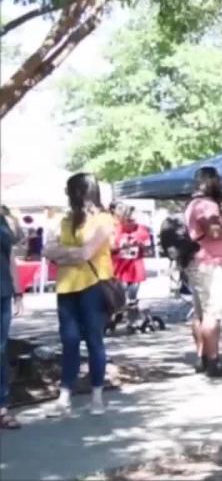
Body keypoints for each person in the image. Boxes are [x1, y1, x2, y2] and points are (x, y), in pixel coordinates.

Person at [42, 173, 116, 416]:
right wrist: (67, 253)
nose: (66, 193)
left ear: (81, 191)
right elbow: (46, 249)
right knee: (69, 342)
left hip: (93, 285)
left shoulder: (104, 219)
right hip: (66, 287)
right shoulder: (65, 220)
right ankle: (64, 398)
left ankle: (97, 395)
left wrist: (63, 253)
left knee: (94, 341)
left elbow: (86, 253)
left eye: (69, 189)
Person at [185, 166, 222, 378]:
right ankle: (214, 361)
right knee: (212, 314)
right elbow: (214, 231)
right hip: (213, 263)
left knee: (201, 314)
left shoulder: (192, 204)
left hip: (200, 262)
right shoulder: (207, 206)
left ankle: (203, 356)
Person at [0, 206, 24, 429]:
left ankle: (2, 407)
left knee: (1, 349)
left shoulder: (2, 219)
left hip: (3, 291)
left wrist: (18, 290)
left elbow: (10, 255)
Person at [111, 205, 151, 320]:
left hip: (135, 268)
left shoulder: (141, 230)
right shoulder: (117, 229)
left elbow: (148, 249)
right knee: (120, 295)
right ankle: (115, 317)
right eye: (129, 221)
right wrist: (120, 246)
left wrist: (141, 245)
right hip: (120, 267)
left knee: (133, 296)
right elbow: (111, 247)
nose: (131, 224)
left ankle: (132, 321)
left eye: (134, 221)